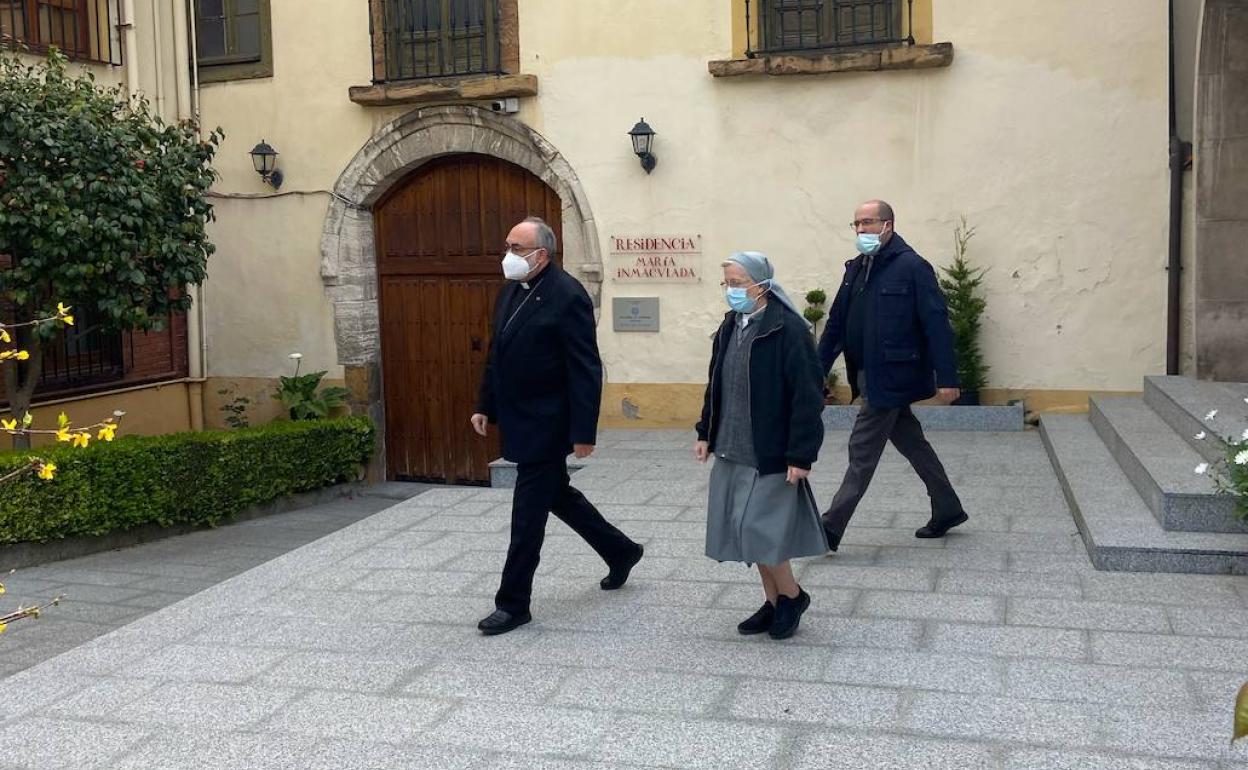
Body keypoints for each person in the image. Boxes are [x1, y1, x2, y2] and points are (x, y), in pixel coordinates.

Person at [471, 216, 644, 636]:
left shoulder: (567, 295)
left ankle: (513, 604)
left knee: (527, 514)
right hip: (519, 417)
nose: (507, 254)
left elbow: (584, 366)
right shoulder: (511, 289)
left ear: (541, 255)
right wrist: (484, 404)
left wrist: (583, 432)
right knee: (559, 496)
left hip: (549, 423)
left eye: (517, 247)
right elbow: (499, 353)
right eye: (508, 245)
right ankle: (621, 550)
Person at [817, 200, 969, 551]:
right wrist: (815, 371)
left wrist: (948, 376)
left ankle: (829, 528)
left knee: (862, 448)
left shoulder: (913, 267)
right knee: (913, 443)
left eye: (867, 222)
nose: (860, 230)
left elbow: (936, 325)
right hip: (867, 373)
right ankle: (948, 507)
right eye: (855, 224)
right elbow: (836, 326)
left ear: (888, 224)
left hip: (894, 375)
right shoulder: (856, 268)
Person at [694, 251, 828, 640]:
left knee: (760, 530)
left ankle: (792, 596)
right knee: (745, 530)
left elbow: (808, 396)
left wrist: (801, 453)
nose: (731, 291)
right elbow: (715, 383)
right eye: (728, 284)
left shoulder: (788, 330)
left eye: (738, 283)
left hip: (770, 450)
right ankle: (773, 603)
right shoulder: (730, 325)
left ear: (761, 284)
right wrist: (705, 432)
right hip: (731, 445)